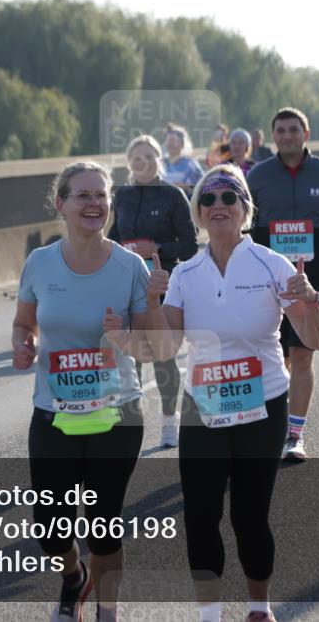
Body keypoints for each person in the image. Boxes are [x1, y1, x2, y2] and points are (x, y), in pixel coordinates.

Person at [146, 164, 319, 622]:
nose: (218, 206)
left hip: (262, 406)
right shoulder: (185, 273)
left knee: (249, 517)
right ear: (198, 213)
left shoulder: (272, 265)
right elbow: (165, 346)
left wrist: (311, 302)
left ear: (245, 208)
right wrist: (153, 302)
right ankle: (210, 614)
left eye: (229, 197)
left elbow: (317, 338)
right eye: (208, 199)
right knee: (200, 516)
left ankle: (258, 607)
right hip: (204, 408)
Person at [12, 160, 161, 622]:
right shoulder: (39, 263)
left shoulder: (129, 266)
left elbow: (153, 348)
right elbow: (23, 324)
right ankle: (73, 577)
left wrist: (139, 320)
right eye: (83, 196)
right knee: (52, 531)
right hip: (54, 413)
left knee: (103, 524)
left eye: (102, 196)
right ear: (61, 204)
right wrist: (24, 344)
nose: (94, 204)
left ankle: (106, 610)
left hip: (116, 414)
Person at [247, 107, 319, 461]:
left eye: (294, 129)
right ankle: (267, 421)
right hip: (266, 276)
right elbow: (243, 217)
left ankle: (294, 435)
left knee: (302, 352)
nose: (287, 135)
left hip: (312, 274)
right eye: (281, 130)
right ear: (273, 136)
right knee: (272, 354)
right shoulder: (258, 176)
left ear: (306, 134)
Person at [109, 135, 198, 447]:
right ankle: (128, 424)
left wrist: (157, 247)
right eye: (137, 158)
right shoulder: (123, 196)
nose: (143, 163)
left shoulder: (173, 196)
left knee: (162, 356)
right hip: (128, 285)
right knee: (130, 356)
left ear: (160, 160)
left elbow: (190, 245)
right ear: (130, 163)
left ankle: (169, 420)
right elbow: (111, 238)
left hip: (162, 284)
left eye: (150, 157)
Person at [163, 123, 204, 195]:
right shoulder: (160, 163)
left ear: (182, 144)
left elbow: (203, 186)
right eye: (169, 141)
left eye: (174, 141)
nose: (171, 144)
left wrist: (185, 187)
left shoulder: (190, 163)